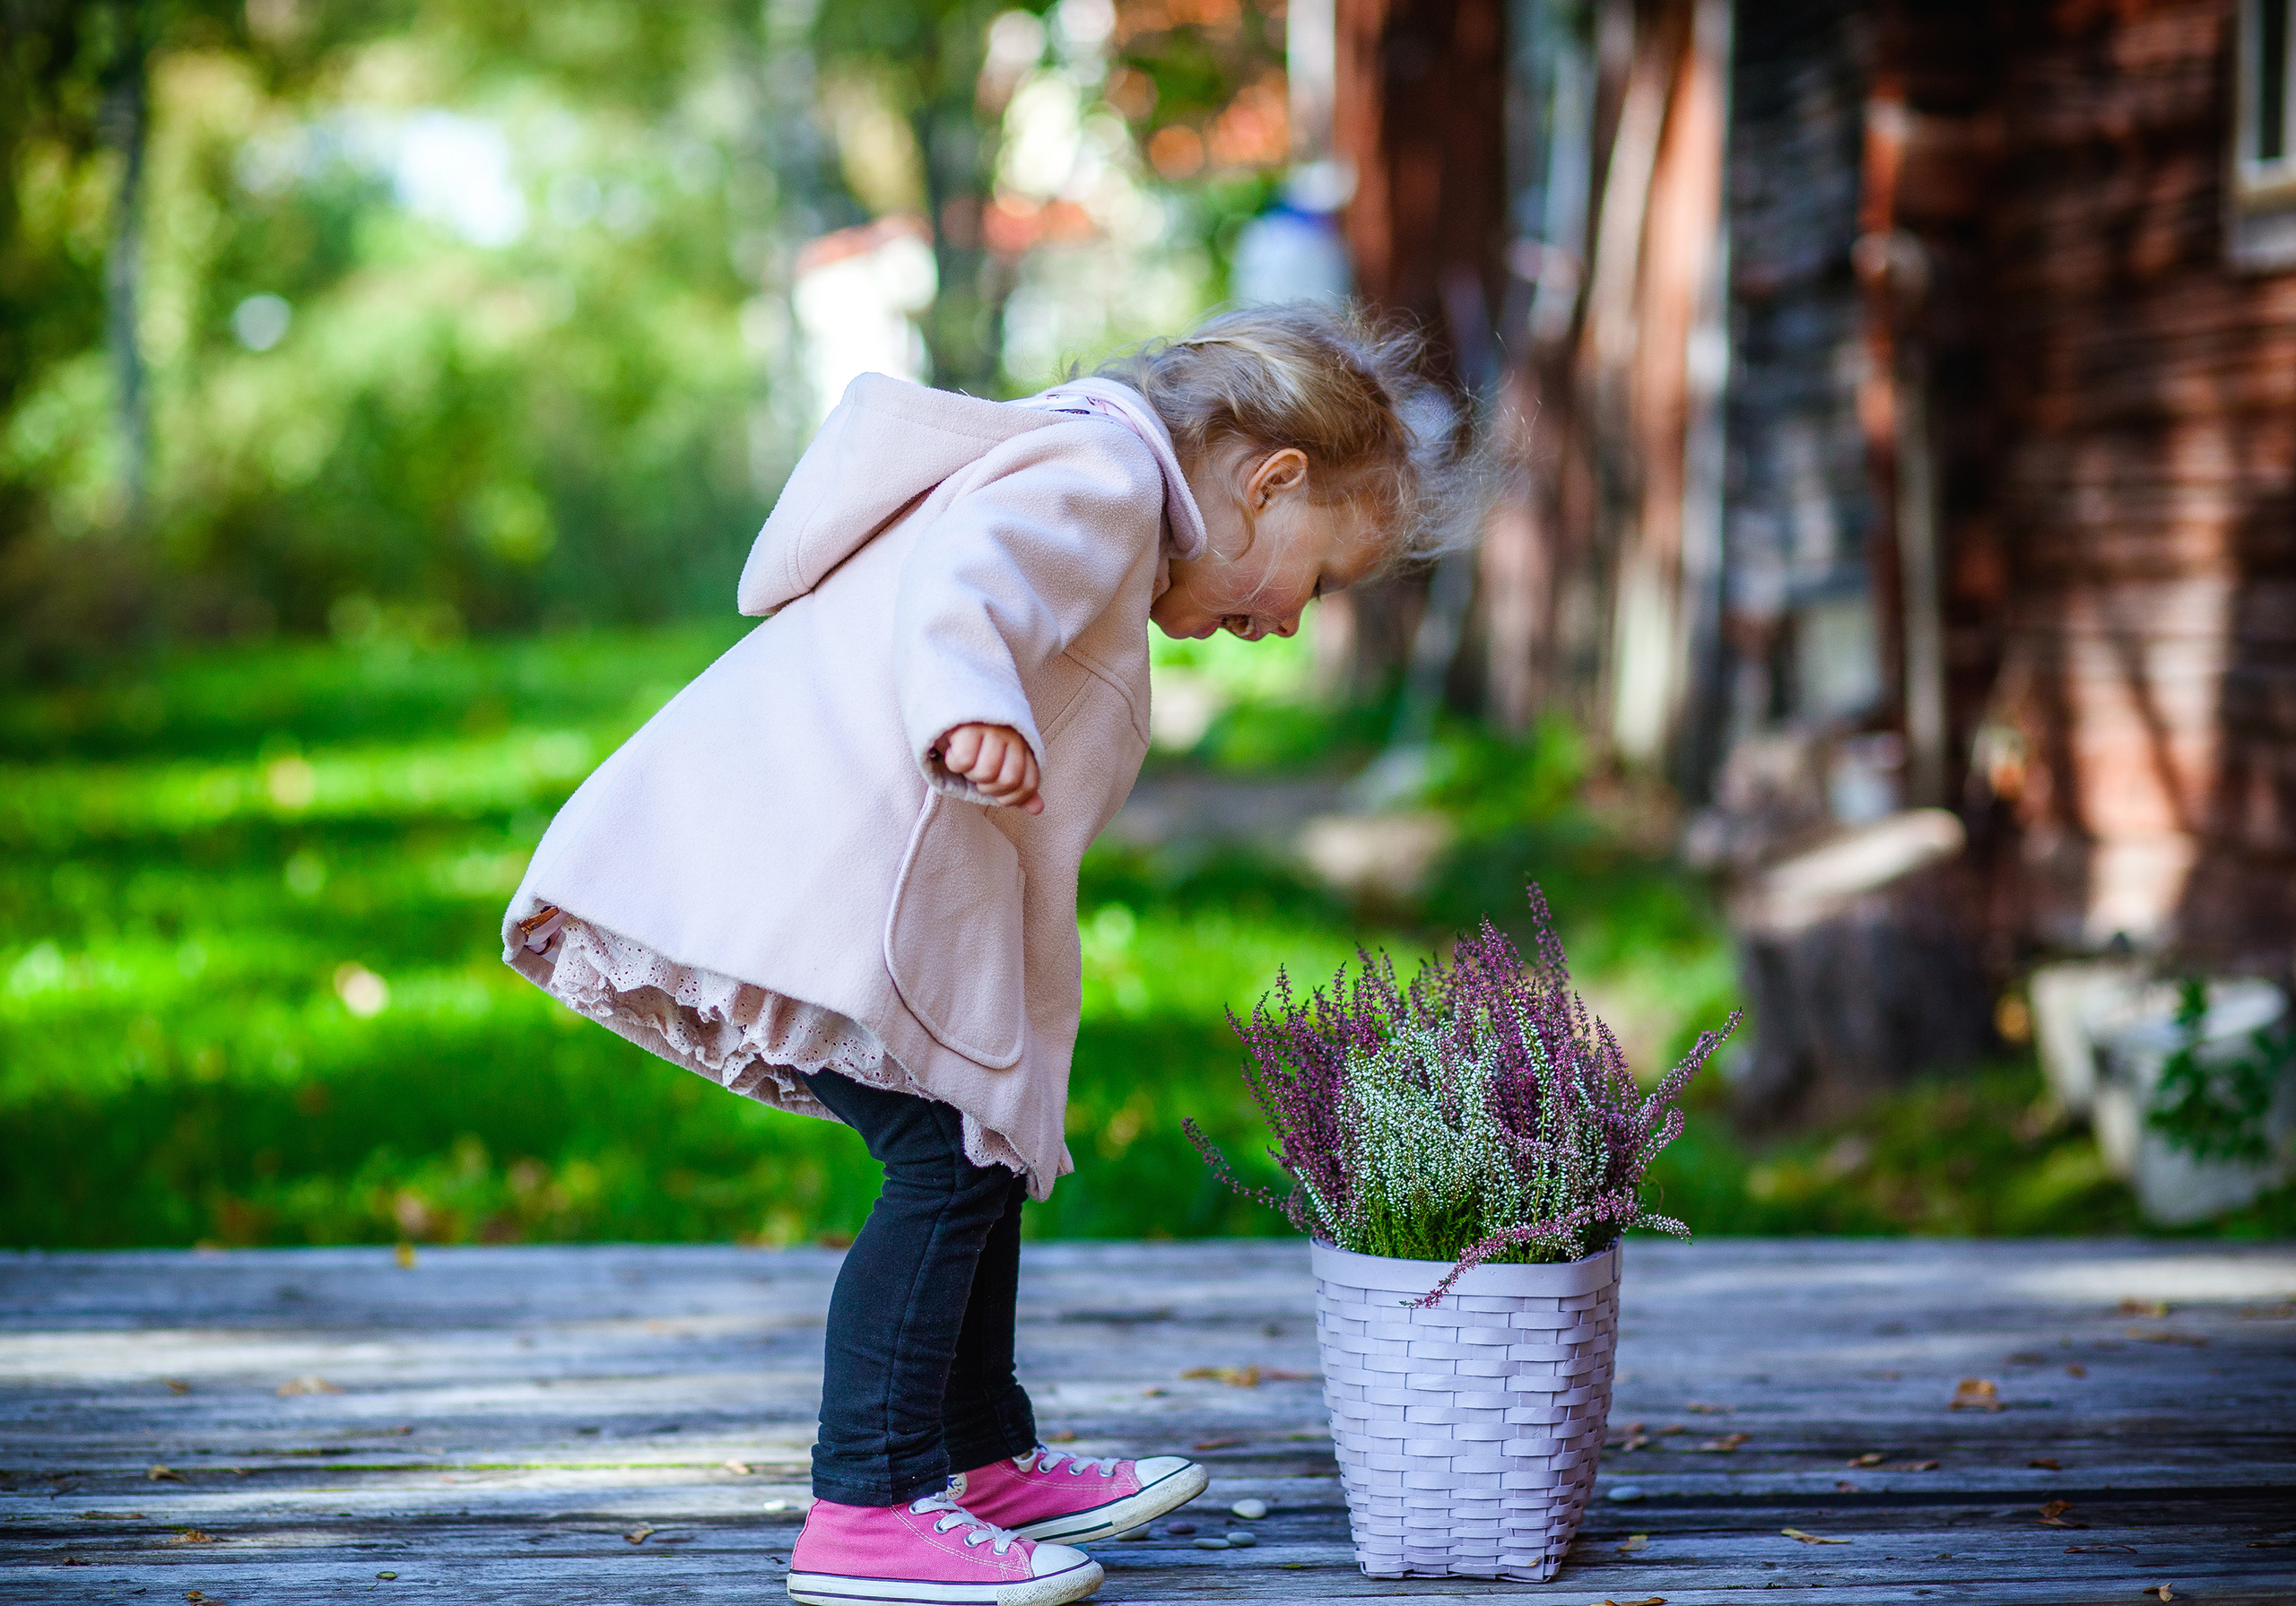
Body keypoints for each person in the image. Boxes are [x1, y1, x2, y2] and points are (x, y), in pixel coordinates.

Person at [500, 301, 1476, 1606]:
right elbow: (973, 575)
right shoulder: (1108, 472)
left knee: (972, 1143)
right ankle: (869, 1502)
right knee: (946, 1163)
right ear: (1271, 480)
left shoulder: (1117, 497)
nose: (1292, 622)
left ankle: (978, 1456)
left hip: (845, 869)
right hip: (824, 872)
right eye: (1320, 579)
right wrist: (969, 699)